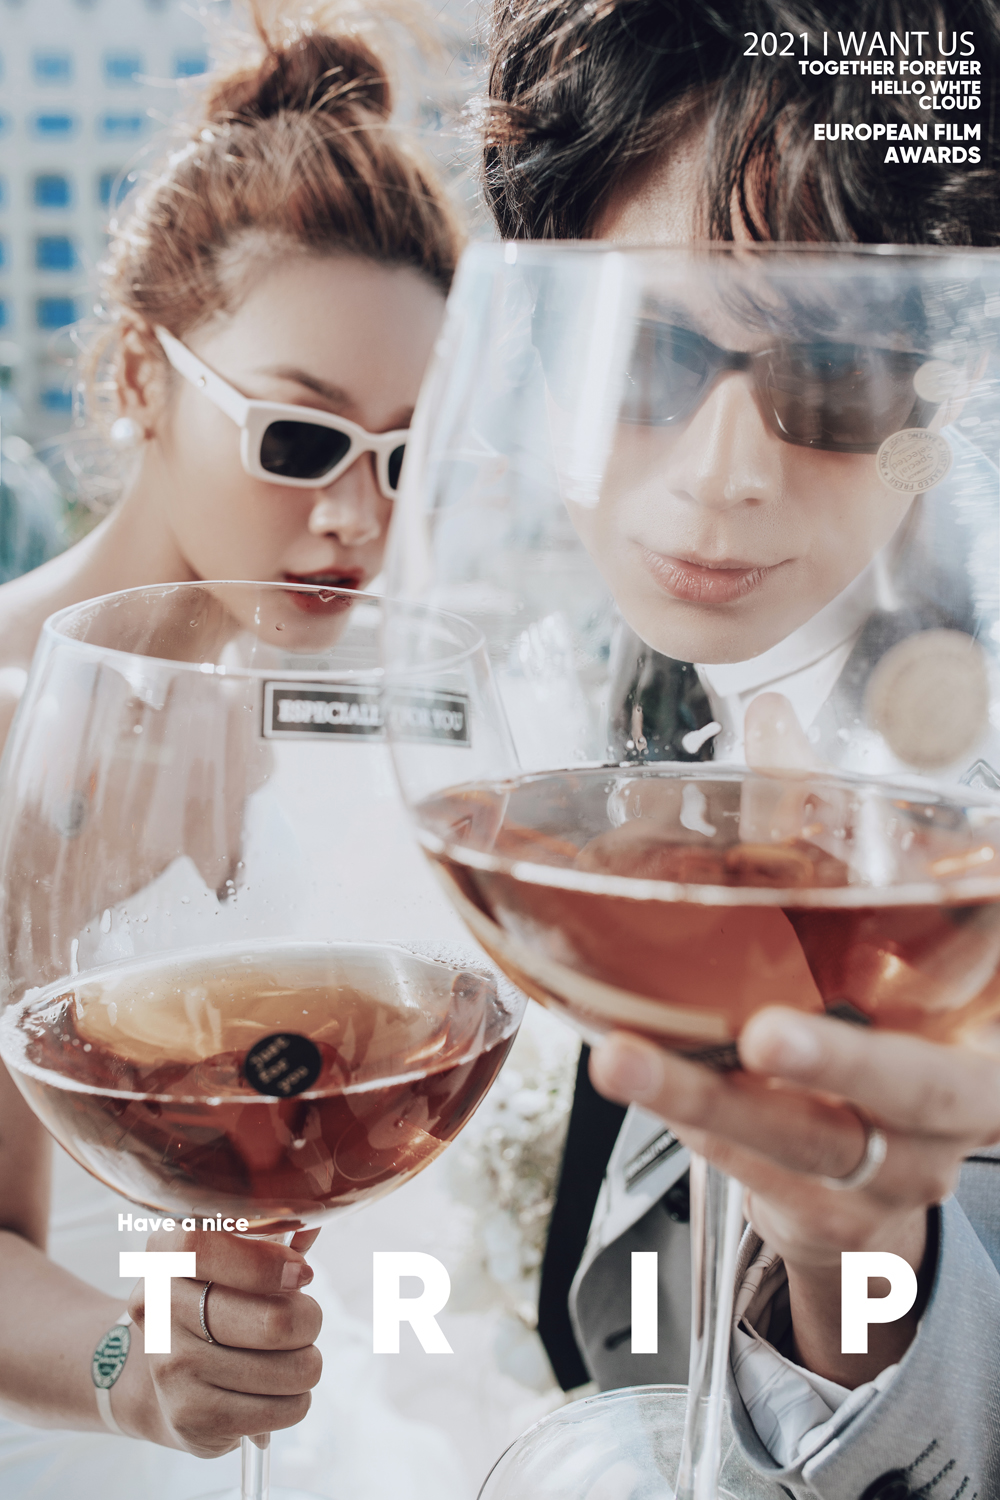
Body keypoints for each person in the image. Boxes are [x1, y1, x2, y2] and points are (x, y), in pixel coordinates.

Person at [483, 3, 1000, 1498]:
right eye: (645, 354)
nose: (723, 479)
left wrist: (859, 1259)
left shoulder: (959, 858)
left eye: (832, 371)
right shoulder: (581, 680)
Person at [0, 5, 462, 1490]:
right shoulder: (13, 722)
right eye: (298, 439)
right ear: (143, 379)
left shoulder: (308, 705)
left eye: (403, 456)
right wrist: (134, 1377)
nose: (356, 519)